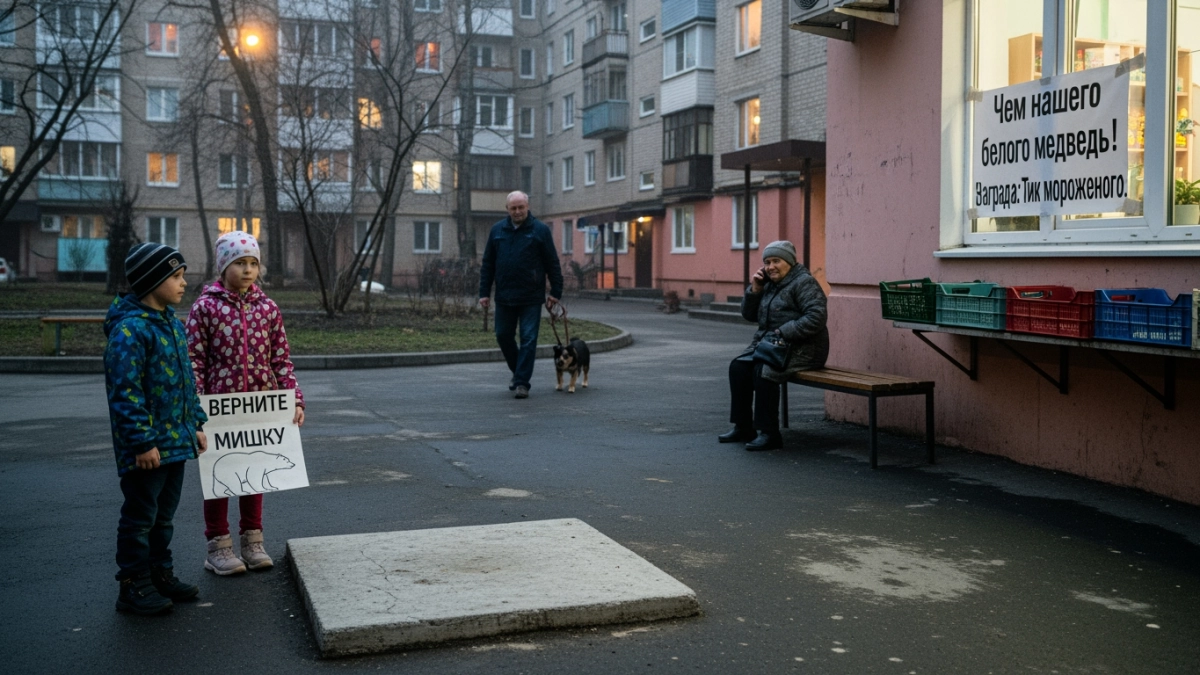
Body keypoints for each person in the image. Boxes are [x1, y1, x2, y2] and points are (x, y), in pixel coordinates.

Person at [185, 231, 305, 576]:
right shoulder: (205, 307)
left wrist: (293, 398)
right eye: (240, 263)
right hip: (218, 408)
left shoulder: (268, 308)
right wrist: (195, 410)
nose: (248, 269)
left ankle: (253, 541)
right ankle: (218, 546)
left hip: (261, 405)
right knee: (220, 477)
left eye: (253, 263)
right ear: (224, 267)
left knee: (256, 475)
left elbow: (281, 359)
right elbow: (193, 361)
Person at [105, 242, 208, 615]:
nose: (184, 283)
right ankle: (132, 585)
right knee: (140, 517)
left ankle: (159, 573)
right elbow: (125, 392)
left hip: (175, 441)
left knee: (163, 517)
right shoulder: (130, 332)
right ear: (153, 281)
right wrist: (141, 442)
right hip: (147, 449)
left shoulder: (171, 324)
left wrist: (195, 423)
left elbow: (186, 381)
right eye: (177, 276)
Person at [720, 240, 829, 451]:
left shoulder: (804, 282)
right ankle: (743, 427)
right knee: (739, 368)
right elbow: (748, 315)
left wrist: (783, 331)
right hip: (773, 346)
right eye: (767, 262)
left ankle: (770, 433)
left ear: (789, 262)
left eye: (776, 261)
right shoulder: (768, 284)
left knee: (764, 371)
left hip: (805, 349)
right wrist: (755, 289)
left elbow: (817, 317)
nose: (770, 267)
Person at [478, 191, 564, 399]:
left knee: (528, 338)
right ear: (507, 209)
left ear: (528, 207)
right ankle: (518, 373)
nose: (517, 212)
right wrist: (484, 292)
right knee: (502, 335)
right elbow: (488, 263)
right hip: (505, 296)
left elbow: (552, 262)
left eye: (521, 208)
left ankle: (522, 383)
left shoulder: (540, 230)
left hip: (531, 297)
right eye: (513, 208)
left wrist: (555, 292)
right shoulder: (498, 230)